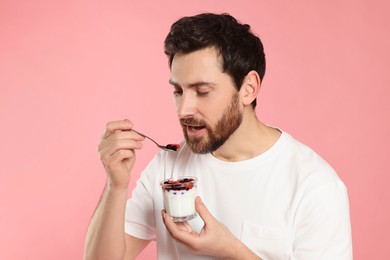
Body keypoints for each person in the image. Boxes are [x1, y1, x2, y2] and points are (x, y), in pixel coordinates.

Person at [84, 13, 352, 260]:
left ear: (248, 89)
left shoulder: (314, 186)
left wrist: (232, 250)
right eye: (178, 91)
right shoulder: (166, 167)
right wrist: (115, 186)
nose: (184, 109)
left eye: (202, 91)